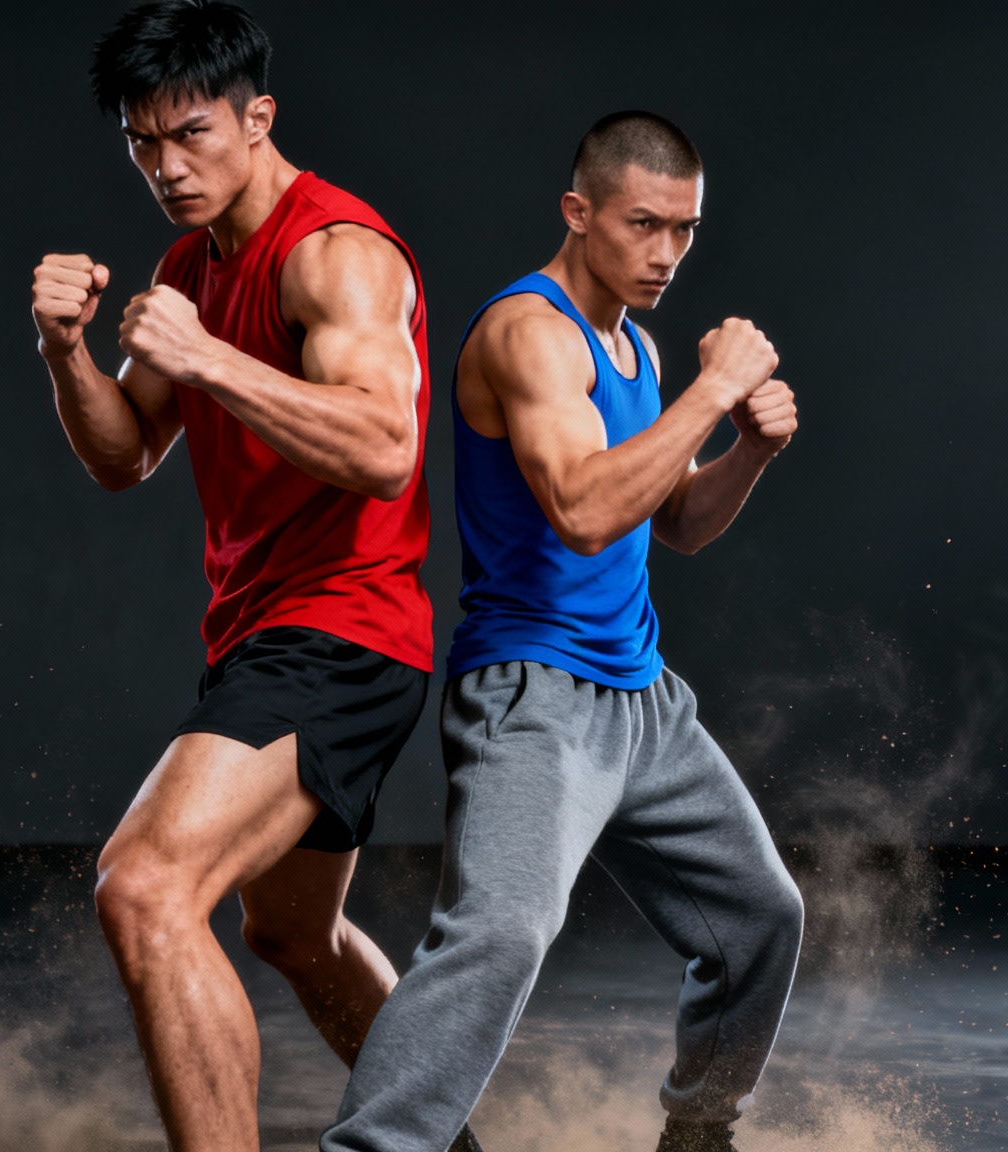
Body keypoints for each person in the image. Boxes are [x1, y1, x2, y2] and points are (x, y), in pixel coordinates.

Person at [28, 4, 476, 1150]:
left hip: (340, 636)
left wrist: (206, 357)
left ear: (256, 116)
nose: (168, 168)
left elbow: (385, 448)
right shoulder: (193, 260)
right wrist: (66, 352)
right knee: (292, 938)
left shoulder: (335, 254)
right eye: (142, 144)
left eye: (192, 134)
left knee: (144, 888)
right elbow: (124, 454)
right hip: (270, 637)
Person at [321, 111, 807, 1152]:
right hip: (530, 696)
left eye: (683, 229)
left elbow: (667, 519)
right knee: (497, 933)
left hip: (642, 702)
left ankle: (698, 1132)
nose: (666, 253)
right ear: (577, 213)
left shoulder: (631, 343)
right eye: (643, 224)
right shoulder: (526, 332)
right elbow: (583, 511)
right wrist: (716, 391)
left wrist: (745, 455)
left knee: (761, 919)